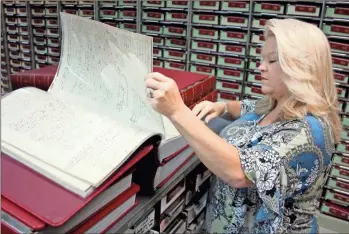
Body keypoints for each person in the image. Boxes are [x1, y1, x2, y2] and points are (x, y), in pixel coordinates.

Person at [145, 18, 341, 234]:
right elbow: (250, 107)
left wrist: (177, 111)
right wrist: (223, 106)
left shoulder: (310, 131)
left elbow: (239, 172)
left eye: (272, 60)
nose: (261, 67)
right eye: (262, 59)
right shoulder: (275, 102)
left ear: (302, 67)